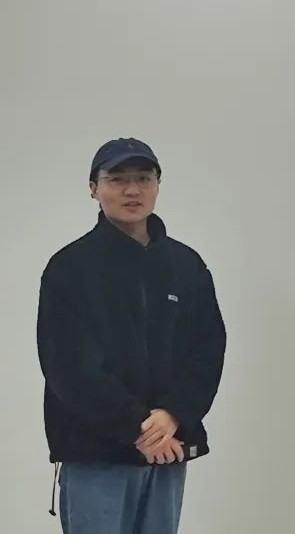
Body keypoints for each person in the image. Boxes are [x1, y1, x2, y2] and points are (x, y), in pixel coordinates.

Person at [37, 138, 226, 534]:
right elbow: (69, 366)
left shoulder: (186, 266)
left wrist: (172, 414)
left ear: (158, 184)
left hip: (168, 448)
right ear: (93, 188)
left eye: (143, 178)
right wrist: (138, 428)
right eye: (117, 179)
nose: (132, 190)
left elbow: (207, 349)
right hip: (96, 454)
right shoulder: (70, 268)